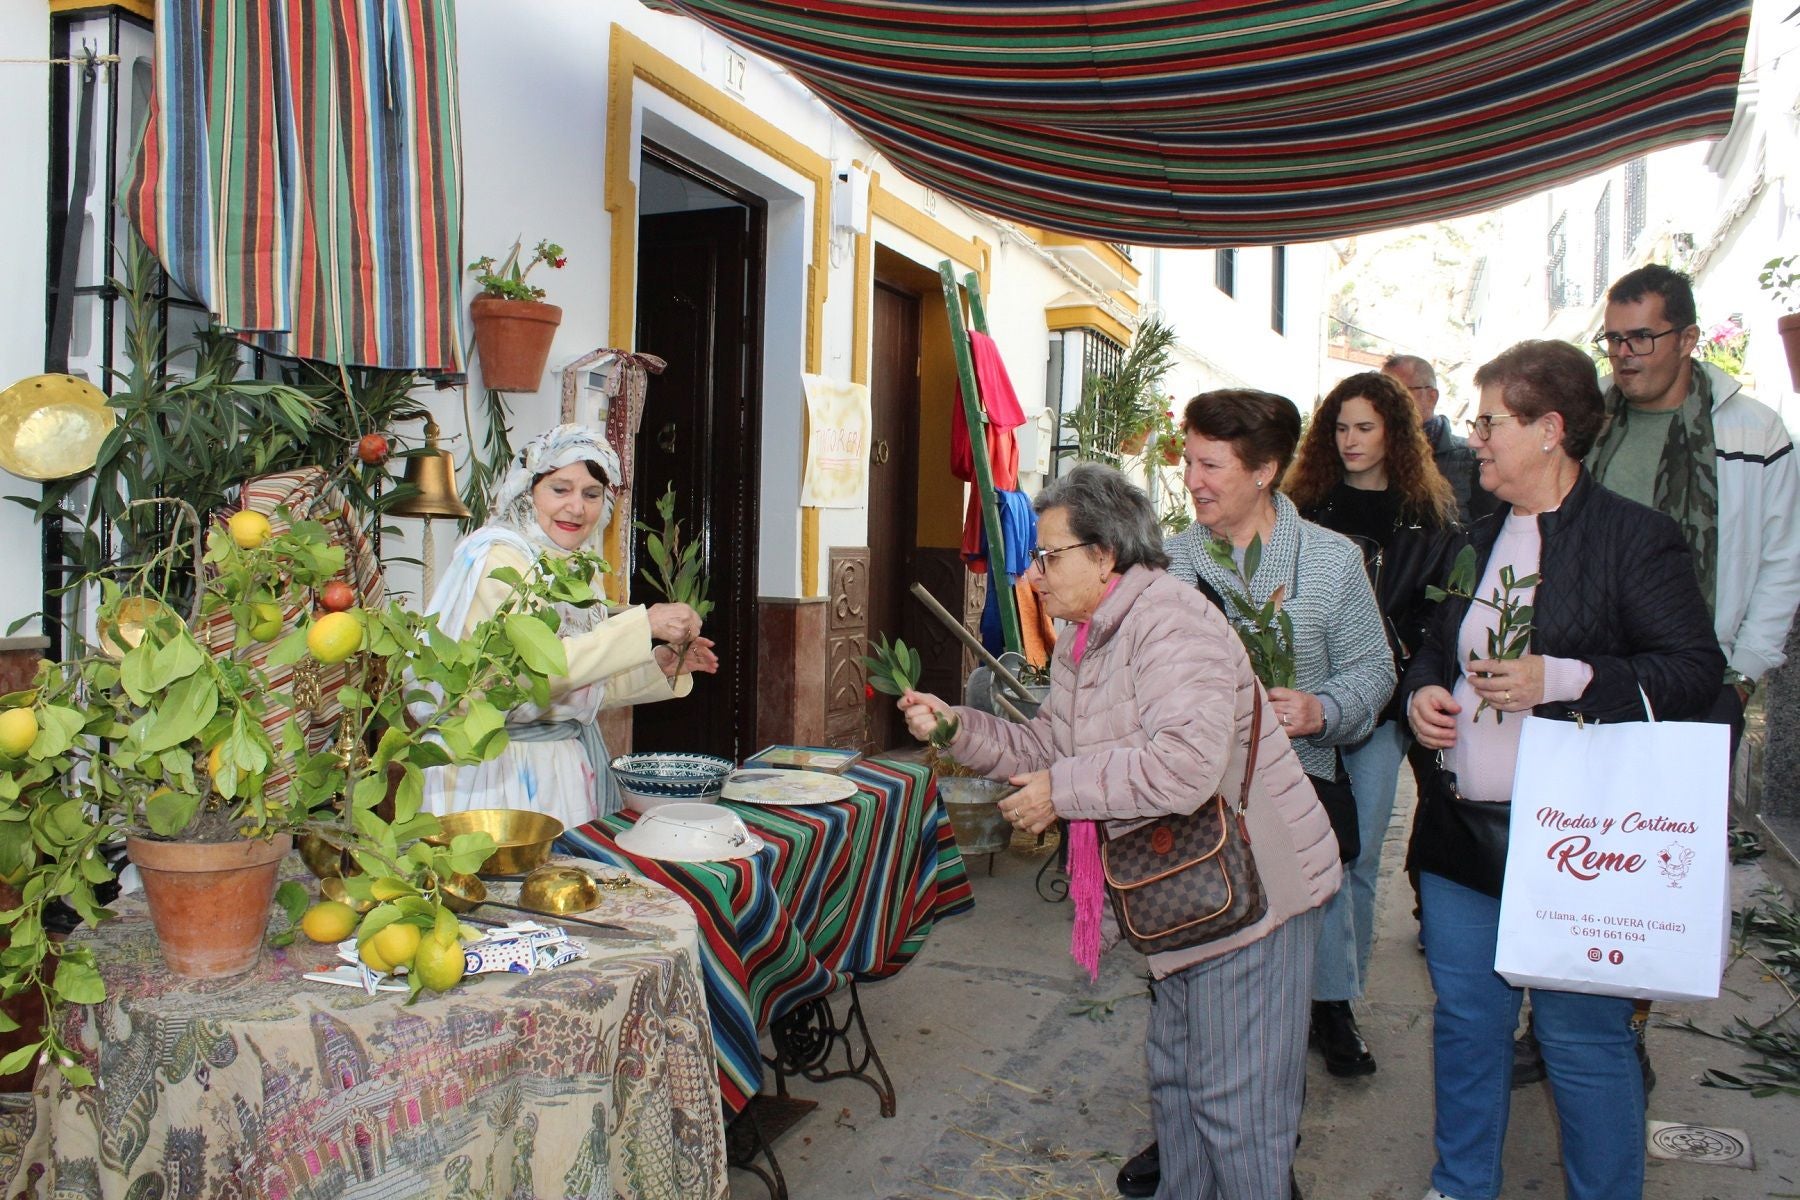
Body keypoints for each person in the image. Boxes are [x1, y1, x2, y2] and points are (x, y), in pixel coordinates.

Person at [895, 463, 1341, 1200]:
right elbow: (1048, 749)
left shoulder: (1171, 622)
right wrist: (957, 726)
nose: (1034, 575)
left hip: (1251, 894)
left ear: (1105, 555)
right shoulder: (1088, 635)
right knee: (1180, 1086)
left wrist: (1062, 795)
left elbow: (1185, 766)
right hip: (1189, 893)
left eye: (1049, 556)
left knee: (1239, 1112)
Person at [1404, 340, 1724, 1200]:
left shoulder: (1635, 539)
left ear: (1550, 430)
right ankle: (1460, 1185)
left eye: (1489, 421)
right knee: (1469, 1027)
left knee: (1583, 1040)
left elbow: (1696, 672)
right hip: (1464, 829)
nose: (1475, 438)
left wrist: (1567, 678)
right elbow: (1433, 649)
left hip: (1577, 844)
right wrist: (1422, 698)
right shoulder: (1467, 537)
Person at [1512, 265, 1800, 1091]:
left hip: (1694, 680)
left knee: (1652, 864)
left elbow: (1782, 563)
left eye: (1642, 337)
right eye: (1614, 338)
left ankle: (1623, 1026)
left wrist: (1740, 681)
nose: (1626, 355)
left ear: (1687, 337)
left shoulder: (1753, 431)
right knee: (1571, 846)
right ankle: (1559, 1011)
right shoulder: (1592, 424)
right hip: (1582, 682)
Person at [1115, 389, 1394, 1198]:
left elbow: (1374, 672)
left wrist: (1321, 709)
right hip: (1185, 825)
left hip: (1285, 820)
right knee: (1183, 1019)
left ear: (1266, 470)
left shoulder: (1333, 562)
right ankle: (1193, 1151)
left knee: (1261, 1029)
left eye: (1211, 464)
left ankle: (1260, 1159)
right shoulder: (1165, 565)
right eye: (1189, 460)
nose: (1192, 479)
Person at [419, 424, 718, 830]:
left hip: (560, 766)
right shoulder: (499, 559)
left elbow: (574, 691)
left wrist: (656, 666)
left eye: (591, 494)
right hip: (495, 772)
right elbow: (536, 675)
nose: (577, 508)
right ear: (528, 491)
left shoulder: (575, 568)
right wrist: (641, 624)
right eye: (560, 489)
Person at [1284, 370, 1464, 1040]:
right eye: (1341, 427)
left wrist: (1411, 685)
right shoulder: (1302, 509)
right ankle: (1297, 989)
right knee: (1302, 847)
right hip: (1302, 702)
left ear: (1395, 431)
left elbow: (1440, 620)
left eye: (1366, 426)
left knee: (1356, 854)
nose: (1352, 440)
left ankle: (1337, 1002)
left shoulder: (1431, 518)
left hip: (1382, 708)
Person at [1383, 354, 1499, 525]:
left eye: (1398, 393)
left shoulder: (1473, 458)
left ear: (1431, 397)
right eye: (1379, 395)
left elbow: (1486, 532)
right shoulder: (1371, 456)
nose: (1385, 403)